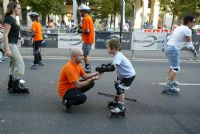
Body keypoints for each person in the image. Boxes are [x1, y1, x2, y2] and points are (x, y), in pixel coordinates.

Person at [163, 15, 198, 94]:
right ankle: (170, 86)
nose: (194, 24)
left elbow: (169, 37)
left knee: (172, 66)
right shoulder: (187, 30)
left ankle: (170, 81)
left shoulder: (179, 27)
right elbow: (189, 45)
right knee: (175, 68)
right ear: (189, 22)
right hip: (173, 49)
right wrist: (195, 54)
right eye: (193, 22)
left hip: (168, 47)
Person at [58, 48, 101, 112]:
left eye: (83, 55)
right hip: (65, 90)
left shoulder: (78, 64)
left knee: (91, 83)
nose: (83, 57)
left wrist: (97, 73)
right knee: (82, 98)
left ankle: (74, 95)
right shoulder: (70, 68)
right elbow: (78, 85)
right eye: (80, 55)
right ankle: (66, 101)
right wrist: (92, 78)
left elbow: (85, 76)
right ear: (74, 57)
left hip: (73, 85)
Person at [3, 1, 29, 94]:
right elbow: (5, 35)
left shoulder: (13, 19)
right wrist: (7, 49)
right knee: (20, 64)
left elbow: (11, 33)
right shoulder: (9, 19)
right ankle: (16, 86)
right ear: (13, 9)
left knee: (14, 64)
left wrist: (19, 37)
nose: (20, 10)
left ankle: (11, 84)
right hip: (10, 44)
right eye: (18, 8)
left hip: (12, 43)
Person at [105, 38, 136, 114]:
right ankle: (117, 100)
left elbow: (113, 68)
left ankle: (120, 107)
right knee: (117, 86)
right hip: (123, 75)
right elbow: (114, 65)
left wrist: (104, 69)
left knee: (120, 89)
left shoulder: (118, 56)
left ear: (114, 48)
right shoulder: (117, 55)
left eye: (108, 47)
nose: (107, 49)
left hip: (128, 76)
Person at [78, 5, 95, 73]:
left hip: (87, 39)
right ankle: (86, 66)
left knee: (85, 55)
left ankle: (87, 68)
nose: (80, 13)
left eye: (81, 11)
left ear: (84, 11)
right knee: (85, 54)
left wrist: (80, 31)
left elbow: (87, 31)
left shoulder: (85, 18)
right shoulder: (88, 18)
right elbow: (86, 28)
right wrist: (80, 27)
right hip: (88, 39)